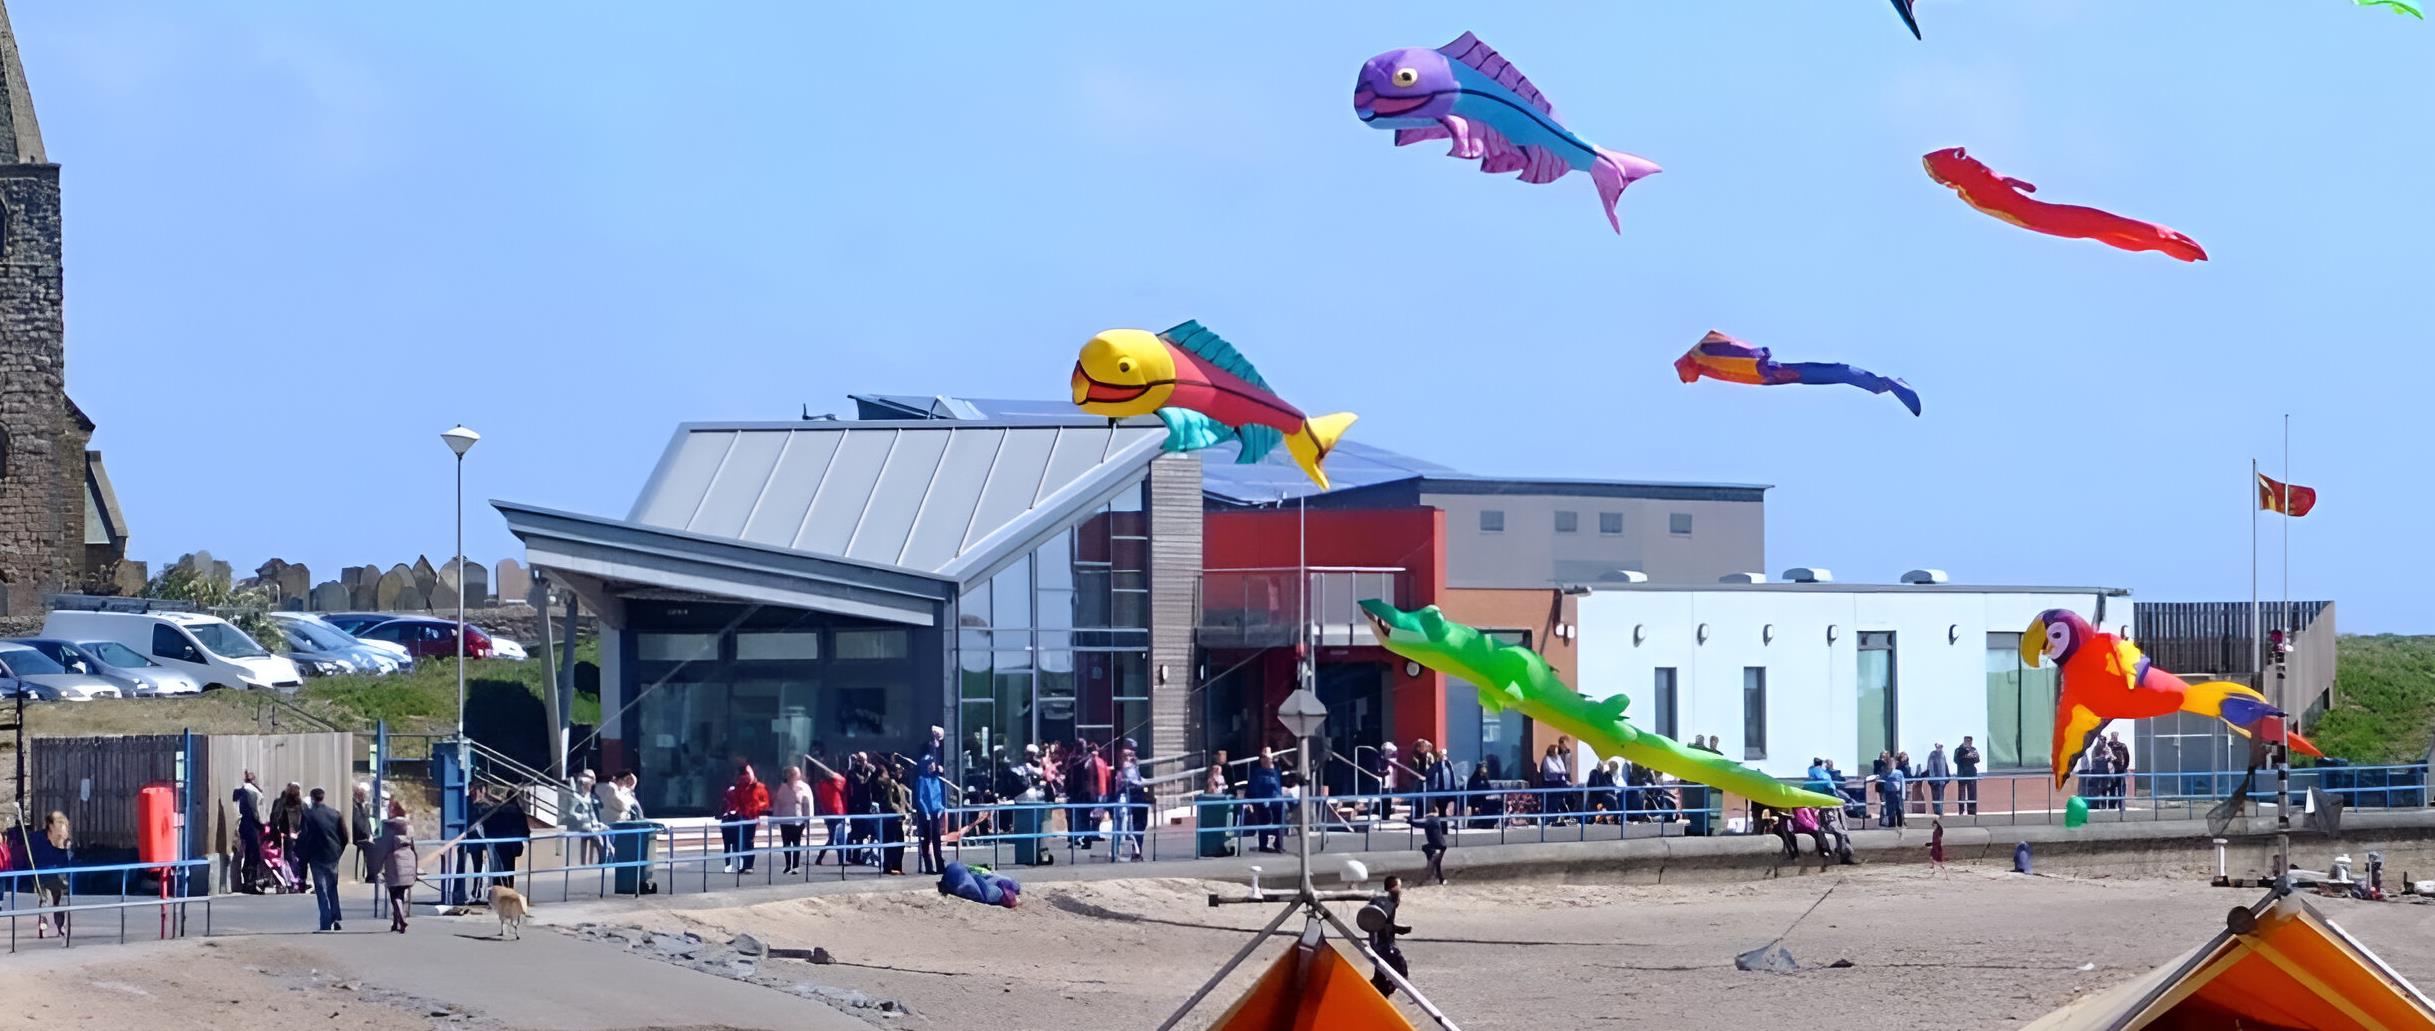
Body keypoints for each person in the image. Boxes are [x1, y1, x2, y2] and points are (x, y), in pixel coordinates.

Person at [297, 787, 349, 932]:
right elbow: (344, 836)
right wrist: (339, 851)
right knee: (332, 887)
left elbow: (304, 837)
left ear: (312, 798)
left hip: (316, 855)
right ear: (323, 797)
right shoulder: (335, 814)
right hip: (332, 854)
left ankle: (325, 921)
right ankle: (336, 917)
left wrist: (303, 857)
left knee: (321, 888)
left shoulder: (307, 815)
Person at [373, 800, 418, 934]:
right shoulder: (409, 827)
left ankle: (401, 918)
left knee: (394, 892)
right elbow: (414, 847)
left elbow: (381, 846)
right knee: (401, 892)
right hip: (409, 860)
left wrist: (377, 866)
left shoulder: (386, 827)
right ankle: (396, 921)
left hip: (394, 862)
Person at [26, 811, 73, 939]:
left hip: (58, 874)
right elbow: (31, 854)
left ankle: (59, 925)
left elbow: (67, 858)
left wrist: (66, 848)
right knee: (44, 899)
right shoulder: (38, 838)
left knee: (59, 899)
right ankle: (44, 923)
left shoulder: (63, 839)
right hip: (42, 872)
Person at [1367, 875, 1413, 999]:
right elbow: (1382, 924)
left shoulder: (1384, 900)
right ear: (1393, 888)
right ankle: (1381, 993)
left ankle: (1376, 994)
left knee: (1381, 971)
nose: (1401, 891)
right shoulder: (1386, 902)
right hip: (1383, 944)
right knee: (1400, 970)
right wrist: (1399, 929)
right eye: (1399, 887)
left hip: (1380, 942)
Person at [722, 764, 771, 874]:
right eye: (744, 775)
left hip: (751, 818)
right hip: (740, 818)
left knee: (748, 842)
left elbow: (765, 802)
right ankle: (743, 864)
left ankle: (749, 865)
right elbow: (735, 802)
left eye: (748, 774)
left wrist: (756, 808)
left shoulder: (759, 787)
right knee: (740, 843)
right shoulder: (739, 788)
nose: (746, 777)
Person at [806, 751, 849, 866]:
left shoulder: (828, 784)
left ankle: (832, 859)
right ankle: (829, 859)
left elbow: (843, 782)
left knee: (837, 838)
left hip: (837, 813)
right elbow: (842, 781)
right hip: (834, 814)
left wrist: (833, 775)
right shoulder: (827, 785)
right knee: (834, 838)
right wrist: (834, 776)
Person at [482, 787, 530, 890]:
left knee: (498, 867)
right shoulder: (518, 810)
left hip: (500, 842)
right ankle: (509, 888)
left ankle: (498, 888)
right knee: (510, 867)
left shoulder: (499, 809)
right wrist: (525, 837)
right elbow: (524, 828)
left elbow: (490, 824)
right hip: (512, 843)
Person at [913, 749, 949, 875]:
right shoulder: (922, 779)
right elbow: (920, 798)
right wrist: (926, 812)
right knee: (927, 839)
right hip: (926, 813)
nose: (933, 765)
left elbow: (939, 796)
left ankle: (940, 865)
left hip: (936, 812)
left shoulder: (936, 779)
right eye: (930, 763)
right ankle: (928, 866)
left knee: (937, 839)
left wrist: (941, 809)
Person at [233, 770, 268, 894]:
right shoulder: (252, 792)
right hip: (251, 827)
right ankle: (251, 883)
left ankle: (248, 882)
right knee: (253, 855)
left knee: (248, 854)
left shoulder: (240, 792)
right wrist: (261, 825)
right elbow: (255, 812)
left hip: (243, 826)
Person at [774, 765, 814, 875]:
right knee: (786, 844)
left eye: (794, 774)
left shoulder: (804, 788)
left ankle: (795, 866)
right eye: (790, 774)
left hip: (798, 821)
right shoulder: (782, 788)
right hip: (785, 820)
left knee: (796, 844)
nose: (791, 776)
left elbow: (807, 805)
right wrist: (775, 819)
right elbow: (778, 804)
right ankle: (788, 865)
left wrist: (808, 819)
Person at [270, 782, 308, 892]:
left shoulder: (282, 803)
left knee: (286, 859)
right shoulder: (300, 805)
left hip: (286, 835)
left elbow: (274, 818)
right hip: (291, 835)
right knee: (292, 859)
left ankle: (286, 882)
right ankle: (293, 882)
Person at [567, 770, 610, 866]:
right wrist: (579, 816)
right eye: (587, 785)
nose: (589, 787)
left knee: (606, 831)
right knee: (598, 838)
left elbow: (592, 812)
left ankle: (608, 853)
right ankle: (603, 859)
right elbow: (570, 812)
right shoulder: (575, 797)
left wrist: (596, 822)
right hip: (580, 825)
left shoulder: (590, 797)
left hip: (590, 823)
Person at [876, 763, 912, 875]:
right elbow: (890, 802)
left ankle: (897, 866)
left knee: (900, 843)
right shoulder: (890, 784)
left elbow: (902, 800)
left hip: (898, 818)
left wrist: (908, 808)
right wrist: (899, 811)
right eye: (898, 771)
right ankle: (889, 867)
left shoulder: (899, 784)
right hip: (892, 817)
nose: (900, 773)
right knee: (890, 843)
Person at [1247, 749, 1284, 854]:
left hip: (1277, 800)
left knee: (1279, 822)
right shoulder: (1257, 773)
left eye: (1267, 757)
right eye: (1263, 757)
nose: (1265, 760)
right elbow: (1254, 788)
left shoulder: (1276, 770)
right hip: (1262, 801)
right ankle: (1263, 845)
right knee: (1264, 822)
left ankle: (1279, 845)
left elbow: (1278, 785)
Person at [351, 783, 377, 883]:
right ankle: (364, 876)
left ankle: (369, 875)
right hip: (359, 836)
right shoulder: (355, 806)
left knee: (370, 855)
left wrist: (370, 833)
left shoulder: (363, 806)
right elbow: (358, 822)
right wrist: (366, 834)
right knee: (366, 855)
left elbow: (366, 821)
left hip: (365, 835)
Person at [1539, 743, 1570, 825]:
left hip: (1559, 782)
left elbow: (1563, 769)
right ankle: (1550, 819)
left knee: (1563, 798)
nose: (1556, 753)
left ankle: (1565, 816)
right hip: (1550, 783)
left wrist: (1560, 771)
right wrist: (1560, 772)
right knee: (1552, 802)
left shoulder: (1558, 758)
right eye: (1555, 751)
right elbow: (1551, 770)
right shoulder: (1547, 759)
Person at [1465, 758, 1498, 830]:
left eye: (1485, 766)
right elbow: (1470, 794)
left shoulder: (1484, 778)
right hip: (1475, 801)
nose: (1485, 768)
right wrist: (1469, 805)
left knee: (1493, 805)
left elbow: (1489, 789)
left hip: (1484, 800)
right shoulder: (1473, 779)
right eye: (1483, 766)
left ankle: (1491, 823)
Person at [1954, 736, 1982, 816]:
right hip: (1962, 775)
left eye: (1970, 741)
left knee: (1972, 794)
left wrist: (1974, 756)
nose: (1968, 743)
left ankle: (1972, 811)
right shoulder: (1958, 750)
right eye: (1967, 741)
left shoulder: (1973, 749)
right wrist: (1965, 754)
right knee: (1961, 795)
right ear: (1964, 741)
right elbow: (1956, 760)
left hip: (1971, 775)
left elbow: (1977, 760)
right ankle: (1961, 811)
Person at [1420, 809, 1448, 885]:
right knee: (1436, 863)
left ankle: (1437, 878)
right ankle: (1436, 878)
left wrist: (1410, 821)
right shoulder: (1435, 820)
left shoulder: (1432, 821)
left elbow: (1421, 824)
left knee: (1436, 863)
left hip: (1438, 846)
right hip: (1438, 845)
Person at [2109, 732, 2134, 810]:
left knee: (2121, 789)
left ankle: (2121, 806)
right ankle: (2112, 806)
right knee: (2112, 788)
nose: (2114, 737)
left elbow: (2127, 758)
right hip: (2112, 771)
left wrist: (2124, 767)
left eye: (2115, 736)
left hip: (2120, 770)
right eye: (2113, 736)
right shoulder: (2109, 746)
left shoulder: (2122, 746)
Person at [1925, 744, 1952, 818]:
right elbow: (1930, 767)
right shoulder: (1932, 755)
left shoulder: (1943, 755)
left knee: (1941, 796)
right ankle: (1937, 813)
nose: (1939, 748)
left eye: (1941, 746)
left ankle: (1940, 811)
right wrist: (1932, 779)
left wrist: (1948, 776)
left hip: (1942, 780)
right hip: (1935, 781)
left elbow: (1945, 766)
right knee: (1936, 796)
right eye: (1938, 746)